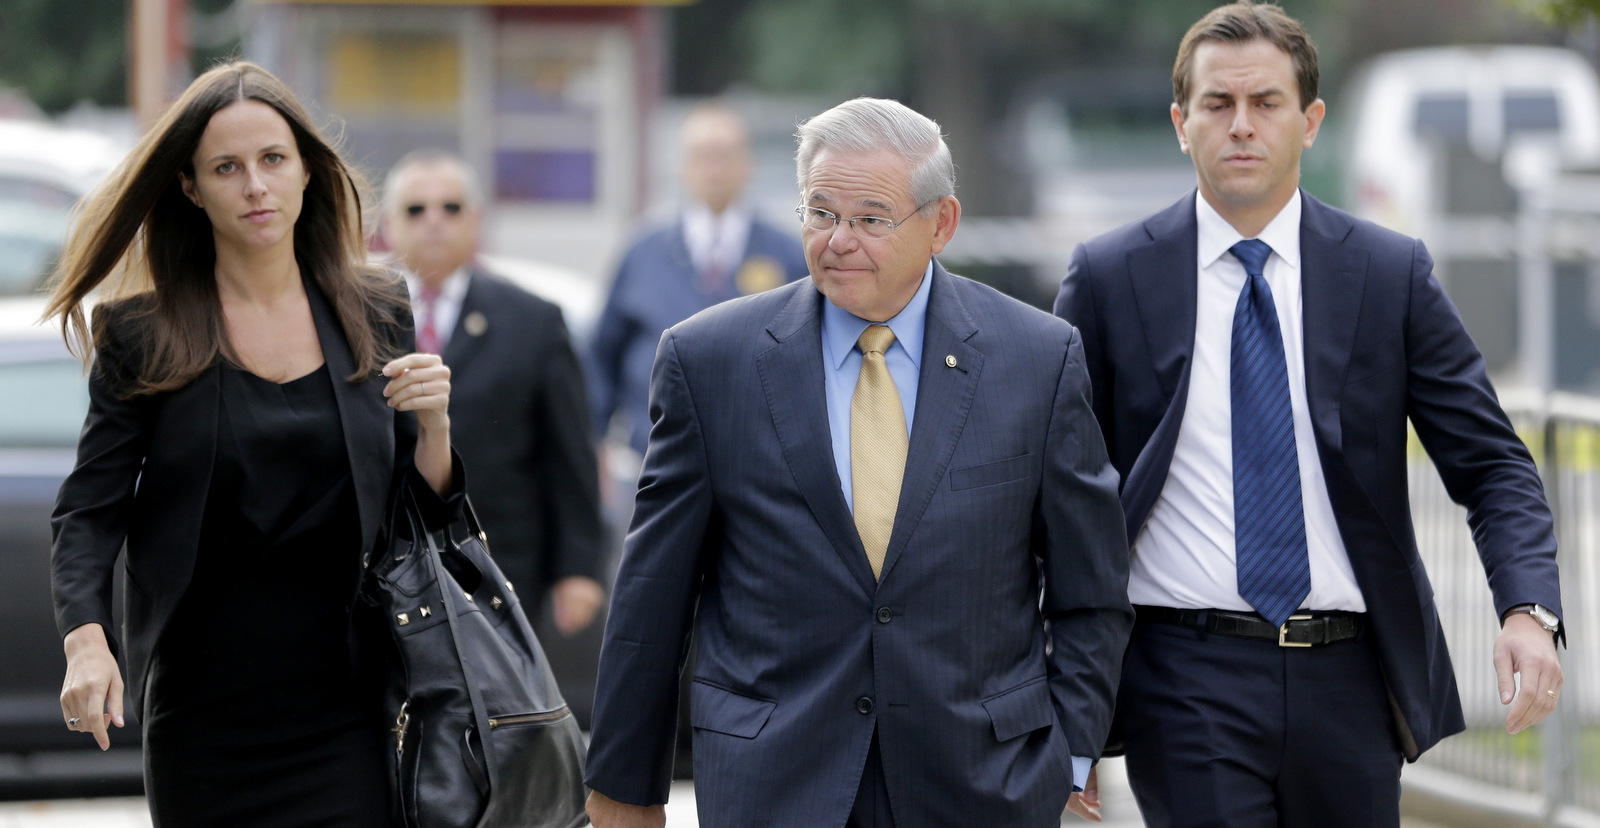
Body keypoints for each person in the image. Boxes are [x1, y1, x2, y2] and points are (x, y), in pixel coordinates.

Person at [1053, 3, 1565, 826]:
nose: (1242, 126)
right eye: (1218, 105)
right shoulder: (1111, 278)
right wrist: (1066, 718)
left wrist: (1528, 611)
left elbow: (1490, 461)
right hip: (1183, 676)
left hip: (1352, 679)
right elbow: (1056, 500)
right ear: (1182, 124)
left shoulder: (1387, 273)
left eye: (1267, 103)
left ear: (1311, 120)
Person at [584, 97, 1132, 828]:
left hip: (980, 782)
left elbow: (1090, 587)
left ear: (941, 224)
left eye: (872, 219)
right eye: (820, 213)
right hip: (774, 781)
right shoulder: (709, 360)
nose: (839, 240)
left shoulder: (1036, 358)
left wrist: (1068, 748)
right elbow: (653, 593)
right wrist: (625, 784)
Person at [47, 61, 461, 827]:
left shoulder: (376, 307)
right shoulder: (144, 332)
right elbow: (89, 511)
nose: (255, 186)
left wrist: (434, 426)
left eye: (273, 159)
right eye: (226, 168)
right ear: (191, 188)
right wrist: (85, 642)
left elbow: (420, 510)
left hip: (350, 703)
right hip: (203, 716)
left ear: (307, 169)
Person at [381, 149, 605, 638]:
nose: (434, 221)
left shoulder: (534, 320)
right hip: (387, 564)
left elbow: (569, 453)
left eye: (451, 208)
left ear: (475, 220)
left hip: (501, 562)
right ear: (389, 224)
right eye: (416, 210)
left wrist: (578, 569)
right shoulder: (362, 317)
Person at [589, 101, 808, 458]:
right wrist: (594, 444)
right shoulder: (642, 252)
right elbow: (602, 356)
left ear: (749, 164)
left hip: (762, 460)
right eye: (702, 156)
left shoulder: (789, 254)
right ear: (680, 167)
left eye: (724, 155)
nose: (714, 169)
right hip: (655, 457)